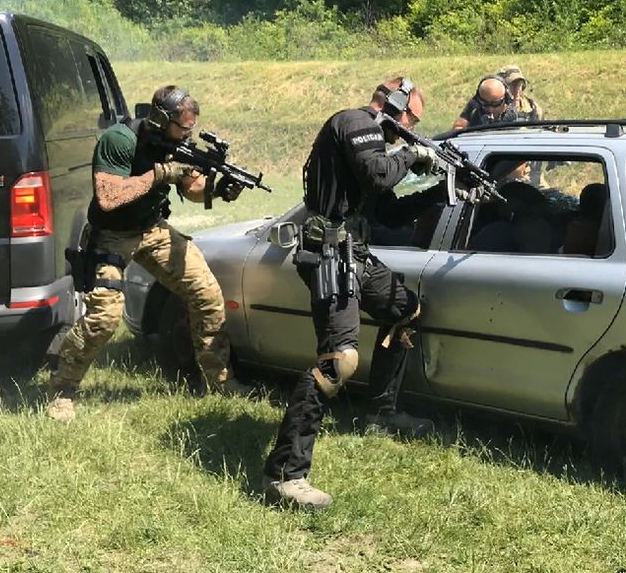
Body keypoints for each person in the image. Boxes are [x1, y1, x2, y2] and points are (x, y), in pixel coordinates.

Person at [261, 76, 443, 510]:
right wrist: (413, 153)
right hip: (327, 252)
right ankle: (284, 474)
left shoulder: (371, 144)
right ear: (395, 105)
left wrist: (443, 192)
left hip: (352, 250)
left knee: (407, 309)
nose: (411, 129)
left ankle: (381, 413)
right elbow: (379, 176)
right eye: (412, 120)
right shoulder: (356, 122)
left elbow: (391, 212)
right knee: (338, 361)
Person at [46, 85, 250, 423]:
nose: (188, 134)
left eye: (191, 128)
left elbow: (191, 186)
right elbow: (108, 195)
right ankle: (63, 389)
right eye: (182, 127)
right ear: (159, 118)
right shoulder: (119, 139)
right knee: (104, 317)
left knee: (207, 293)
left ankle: (221, 381)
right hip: (110, 236)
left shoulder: (174, 144)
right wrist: (159, 174)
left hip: (152, 228)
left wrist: (216, 188)